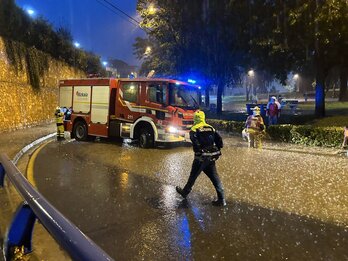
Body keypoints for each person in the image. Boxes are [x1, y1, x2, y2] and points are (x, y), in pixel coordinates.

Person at [176, 110, 226, 207]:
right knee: (215, 178)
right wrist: (217, 148)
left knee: (193, 176)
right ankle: (222, 199)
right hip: (211, 157)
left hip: (201, 158)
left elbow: (195, 142)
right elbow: (219, 140)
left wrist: (199, 151)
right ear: (203, 117)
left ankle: (185, 192)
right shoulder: (211, 128)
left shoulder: (194, 129)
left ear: (195, 118)